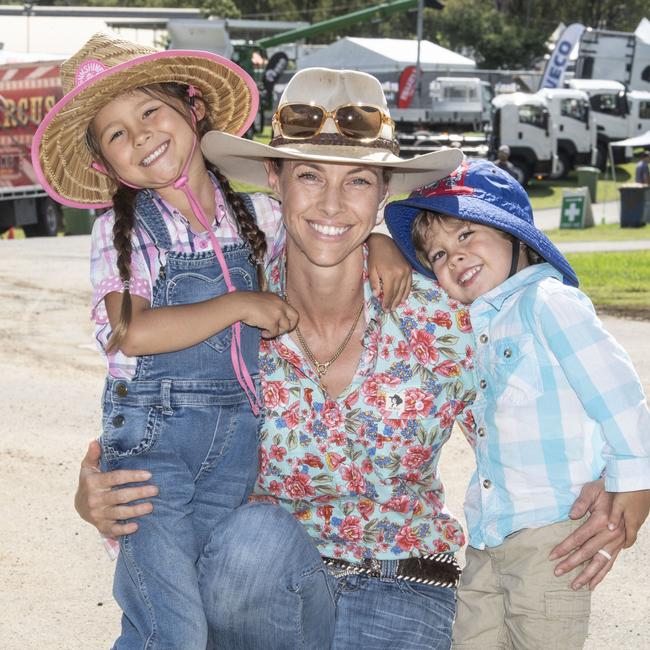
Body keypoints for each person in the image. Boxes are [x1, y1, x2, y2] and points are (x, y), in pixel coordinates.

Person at [75, 69, 626, 650]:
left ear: (383, 191)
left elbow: (526, 420)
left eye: (358, 181)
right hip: (265, 588)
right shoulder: (227, 304)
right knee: (251, 540)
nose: (332, 203)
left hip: (406, 584)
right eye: (309, 175)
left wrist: (615, 482)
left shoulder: (437, 315)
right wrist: (96, 495)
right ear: (273, 179)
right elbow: (154, 417)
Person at [31, 36, 404, 649]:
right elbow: (129, 330)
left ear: (193, 108)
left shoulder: (255, 216)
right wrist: (237, 304)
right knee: (169, 626)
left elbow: (333, 220)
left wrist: (382, 240)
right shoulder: (126, 232)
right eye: (117, 134)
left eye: (150, 111)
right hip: (158, 447)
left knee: (204, 601)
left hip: (233, 446)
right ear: (105, 165)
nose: (141, 135)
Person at [385, 159, 650, 649]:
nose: (454, 257)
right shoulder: (479, 322)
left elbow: (619, 395)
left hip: (554, 535)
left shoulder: (549, 303)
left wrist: (633, 484)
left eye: (467, 234)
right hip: (489, 535)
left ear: (514, 235)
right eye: (439, 254)